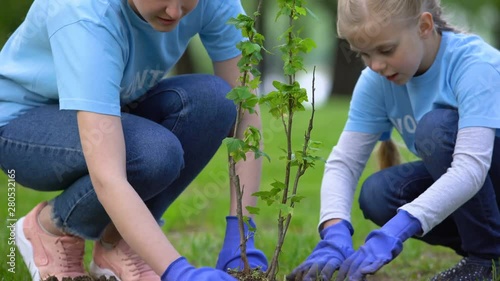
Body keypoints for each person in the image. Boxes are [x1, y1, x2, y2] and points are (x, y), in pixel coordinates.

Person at [0, 0, 268, 280]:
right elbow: (108, 175)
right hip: (20, 124)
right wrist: (179, 273)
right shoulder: (84, 12)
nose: (175, 12)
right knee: (151, 153)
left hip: (116, 109)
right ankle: (50, 227)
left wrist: (242, 237)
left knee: (214, 101)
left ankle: (118, 242)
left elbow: (245, 114)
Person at [287, 0, 500, 280]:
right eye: (363, 54)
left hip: (483, 170)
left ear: (424, 26)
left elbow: (471, 169)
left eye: (386, 50)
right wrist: (334, 230)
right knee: (379, 194)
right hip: (485, 193)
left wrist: (400, 226)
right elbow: (344, 163)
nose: (375, 65)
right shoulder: (376, 82)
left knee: (435, 128)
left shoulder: (474, 65)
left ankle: (486, 258)